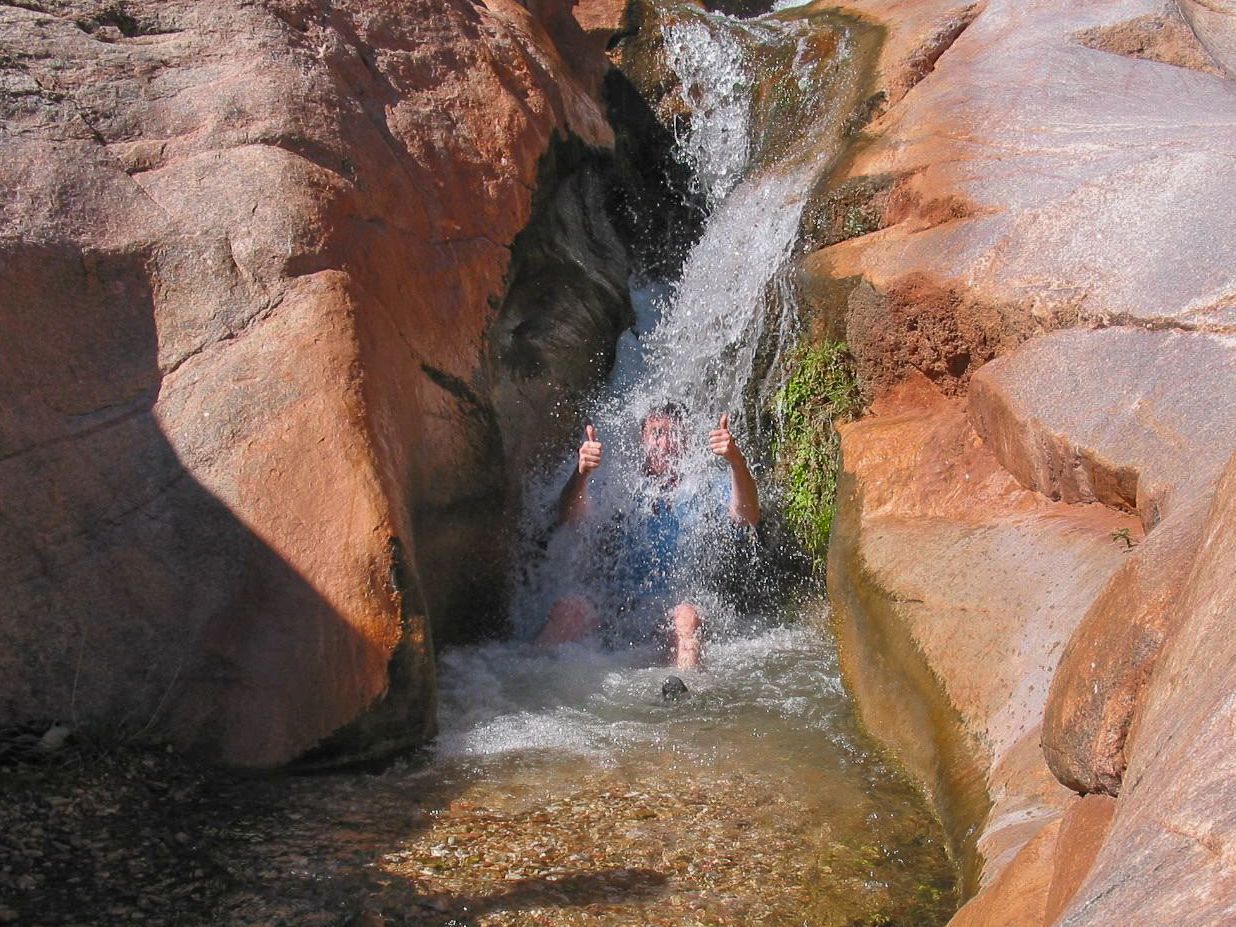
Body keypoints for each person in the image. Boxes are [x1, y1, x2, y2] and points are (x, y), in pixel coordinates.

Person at [535, 403, 761, 668]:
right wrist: (582, 475)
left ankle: (685, 697)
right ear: (642, 440)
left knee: (686, 617)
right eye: (656, 434)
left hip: (672, 614)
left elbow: (747, 517)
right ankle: (523, 690)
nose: (665, 445)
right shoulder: (619, 486)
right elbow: (571, 519)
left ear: (687, 441)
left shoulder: (703, 485)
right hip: (617, 611)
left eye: (673, 435)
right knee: (569, 610)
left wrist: (737, 463)